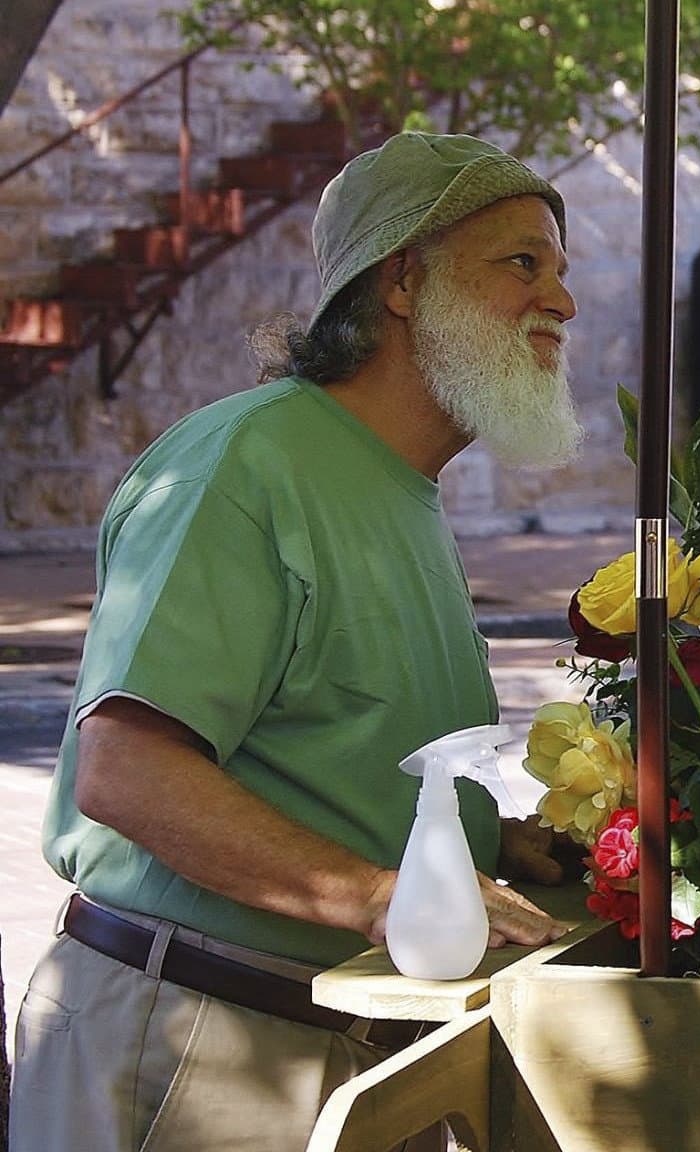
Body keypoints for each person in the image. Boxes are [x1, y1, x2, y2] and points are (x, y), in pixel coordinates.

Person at [11, 132, 585, 1152]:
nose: (562, 304)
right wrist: (376, 896)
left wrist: (487, 845)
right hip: (196, 1042)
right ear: (402, 279)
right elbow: (128, 773)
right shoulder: (248, 462)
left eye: (560, 270)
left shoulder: (400, 491)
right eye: (522, 263)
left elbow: (336, 756)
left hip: (355, 1052)